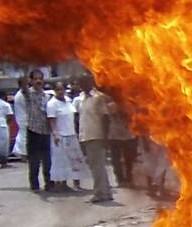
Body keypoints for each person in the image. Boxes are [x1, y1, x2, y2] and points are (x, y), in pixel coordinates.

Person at [76, 74, 114, 203]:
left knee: (97, 166)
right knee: (95, 166)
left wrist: (105, 137)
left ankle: (100, 193)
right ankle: (106, 191)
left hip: (96, 136)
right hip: (86, 135)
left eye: (84, 83)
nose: (82, 86)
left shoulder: (98, 98)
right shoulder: (81, 99)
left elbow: (105, 118)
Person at [47, 80, 90, 190]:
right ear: (54, 91)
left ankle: (77, 184)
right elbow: (52, 121)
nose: (60, 92)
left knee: (75, 160)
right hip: (60, 136)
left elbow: (74, 117)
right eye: (58, 89)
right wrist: (56, 134)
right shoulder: (51, 104)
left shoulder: (68, 101)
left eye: (62, 89)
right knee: (62, 161)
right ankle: (62, 184)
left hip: (71, 134)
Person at [25, 68, 53, 191]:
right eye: (35, 79)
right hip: (33, 130)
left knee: (47, 160)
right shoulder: (28, 94)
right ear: (31, 81)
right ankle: (35, 184)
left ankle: (49, 183)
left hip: (46, 131)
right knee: (34, 161)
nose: (38, 81)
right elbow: (24, 87)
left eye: (40, 79)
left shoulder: (47, 96)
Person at [108, 104, 138, 187]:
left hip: (116, 135)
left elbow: (105, 119)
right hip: (126, 136)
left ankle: (121, 180)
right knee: (128, 160)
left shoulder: (110, 106)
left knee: (117, 159)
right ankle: (128, 179)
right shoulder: (128, 105)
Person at [11, 76, 28, 159]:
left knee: (23, 135)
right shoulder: (20, 96)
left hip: (24, 117)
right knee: (24, 136)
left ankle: (22, 152)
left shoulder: (22, 94)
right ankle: (23, 153)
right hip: (23, 117)